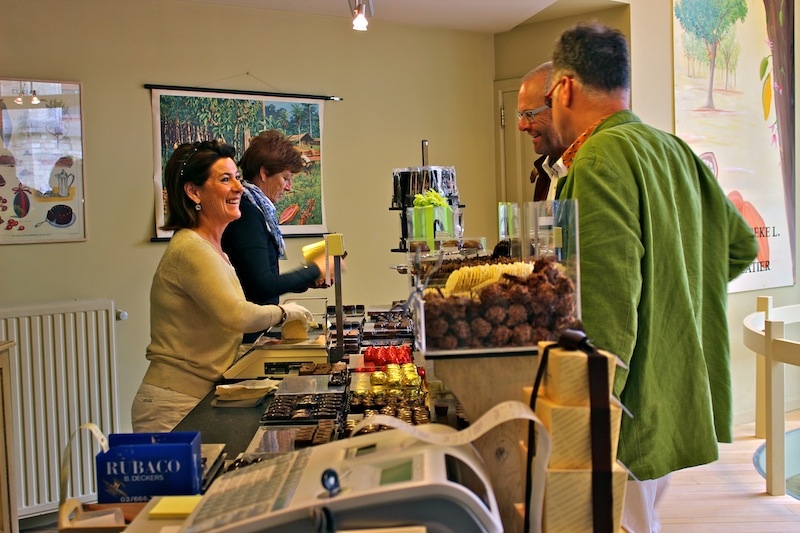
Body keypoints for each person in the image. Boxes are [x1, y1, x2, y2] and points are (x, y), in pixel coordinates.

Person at [548, 22, 758, 532]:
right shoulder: (674, 149)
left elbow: (606, 305)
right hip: (675, 386)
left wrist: (584, 419)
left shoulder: (598, 159)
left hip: (628, 403)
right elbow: (741, 244)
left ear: (566, 87)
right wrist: (677, 297)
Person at [131, 140, 314, 433]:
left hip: (195, 395)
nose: (239, 188)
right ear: (193, 192)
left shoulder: (213, 248)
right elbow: (237, 316)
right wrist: (283, 312)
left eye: (237, 178)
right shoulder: (191, 248)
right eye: (225, 180)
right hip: (172, 405)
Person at [222, 130, 330, 343]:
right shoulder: (247, 214)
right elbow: (262, 286)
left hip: (255, 331)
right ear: (264, 173)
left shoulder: (255, 209)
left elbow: (261, 276)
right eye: (285, 178)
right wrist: (316, 270)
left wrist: (309, 280)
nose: (288, 187)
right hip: (243, 339)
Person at [517, 61, 568, 201]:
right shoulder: (544, 173)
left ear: (559, 107)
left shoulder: (590, 166)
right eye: (521, 115)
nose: (521, 126)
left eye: (529, 114)